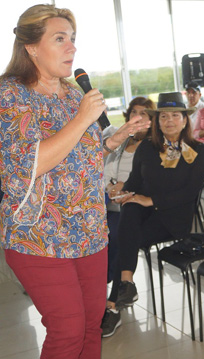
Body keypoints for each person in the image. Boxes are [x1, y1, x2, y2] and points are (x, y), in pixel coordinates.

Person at [0, 5, 148, 358]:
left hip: (89, 229)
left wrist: (113, 139)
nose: (72, 48)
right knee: (66, 329)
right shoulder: (10, 95)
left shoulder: (71, 94)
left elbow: (79, 152)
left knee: (90, 323)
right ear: (31, 47)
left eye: (73, 39)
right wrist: (83, 119)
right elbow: (27, 164)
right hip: (39, 235)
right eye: (60, 38)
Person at [112, 92, 204, 309]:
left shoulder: (198, 151)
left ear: (185, 121)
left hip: (173, 219)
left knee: (124, 238)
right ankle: (125, 285)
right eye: (163, 117)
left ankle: (114, 301)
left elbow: (190, 192)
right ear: (157, 122)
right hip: (144, 215)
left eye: (175, 115)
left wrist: (151, 200)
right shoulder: (147, 147)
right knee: (129, 211)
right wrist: (123, 193)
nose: (169, 121)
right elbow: (134, 181)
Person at [101, 97, 155, 337]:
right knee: (97, 233)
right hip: (113, 202)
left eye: (145, 113)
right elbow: (107, 173)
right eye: (135, 112)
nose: (139, 117)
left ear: (152, 120)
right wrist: (111, 188)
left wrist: (126, 190)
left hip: (140, 207)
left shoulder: (155, 146)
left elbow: (151, 183)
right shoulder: (122, 143)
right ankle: (100, 295)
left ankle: (112, 306)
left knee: (115, 236)